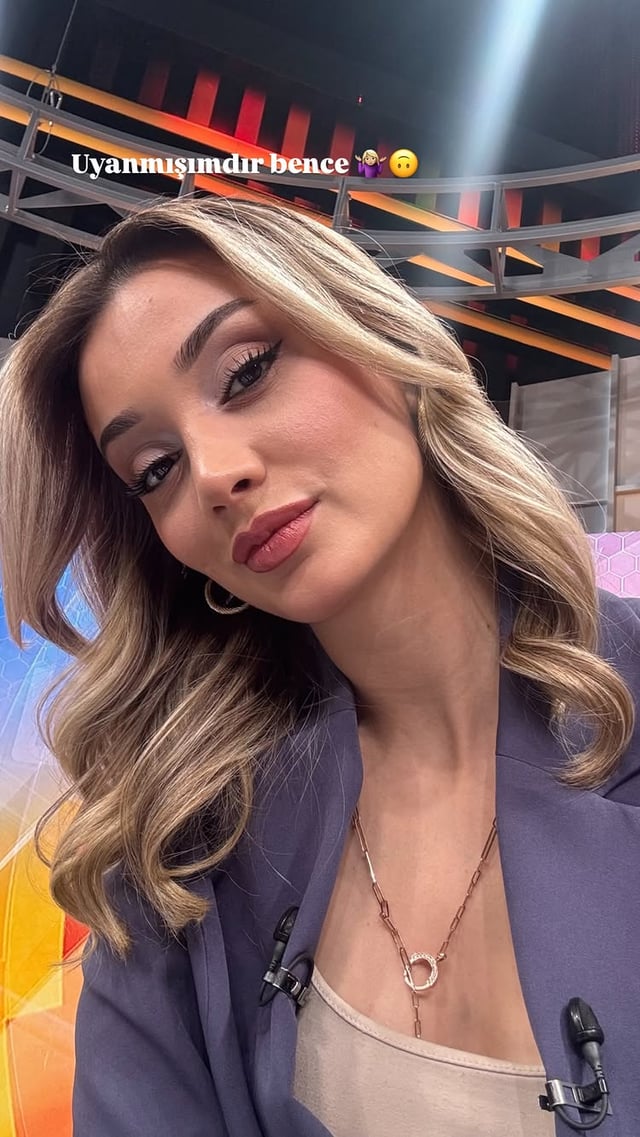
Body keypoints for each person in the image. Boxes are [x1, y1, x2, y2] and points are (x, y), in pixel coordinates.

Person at [0, 195, 639, 1137]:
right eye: (155, 468)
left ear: (385, 342)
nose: (213, 474)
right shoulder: (177, 848)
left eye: (247, 371)